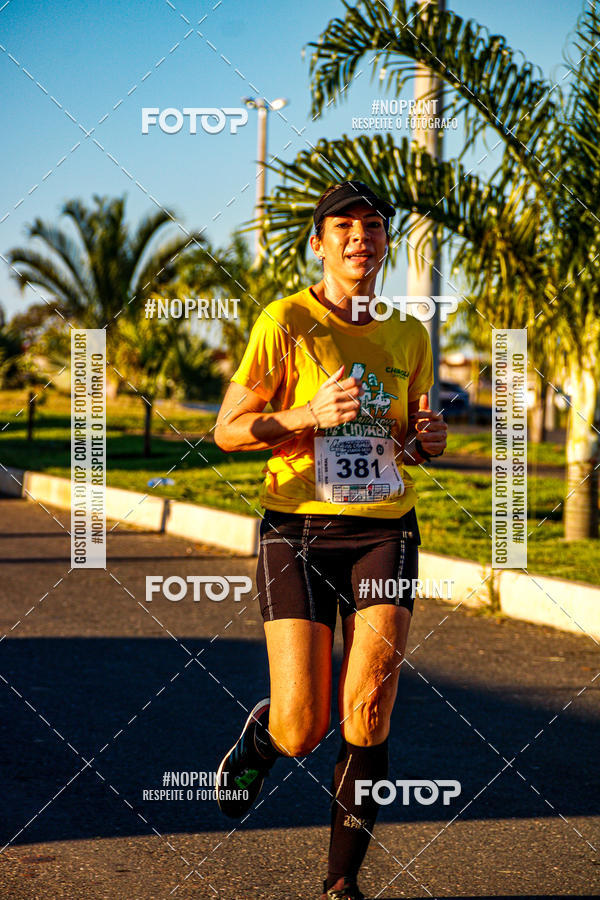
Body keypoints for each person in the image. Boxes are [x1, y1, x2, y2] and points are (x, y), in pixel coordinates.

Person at [214, 181, 447, 900]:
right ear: (319, 242)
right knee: (302, 729)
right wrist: (304, 413)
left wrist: (425, 440)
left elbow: (408, 437)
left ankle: (340, 883)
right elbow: (227, 431)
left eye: (374, 227)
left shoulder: (409, 335)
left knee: (369, 710)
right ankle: (263, 737)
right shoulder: (284, 322)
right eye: (344, 226)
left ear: (383, 244)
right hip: (297, 530)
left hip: (383, 531)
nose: (360, 238)